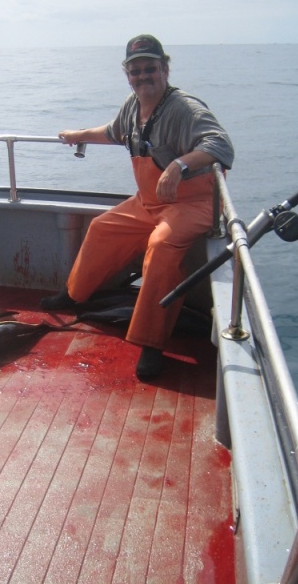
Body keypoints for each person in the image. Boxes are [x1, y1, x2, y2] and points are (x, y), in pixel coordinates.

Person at [41, 34, 234, 382]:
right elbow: (114, 132)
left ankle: (151, 342)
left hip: (191, 203)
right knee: (102, 227)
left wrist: (179, 166)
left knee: (161, 247)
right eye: (136, 71)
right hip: (150, 202)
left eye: (150, 69)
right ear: (127, 74)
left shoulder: (185, 108)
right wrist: (79, 134)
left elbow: (220, 144)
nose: (143, 76)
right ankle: (74, 295)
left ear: (165, 68)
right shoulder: (132, 105)